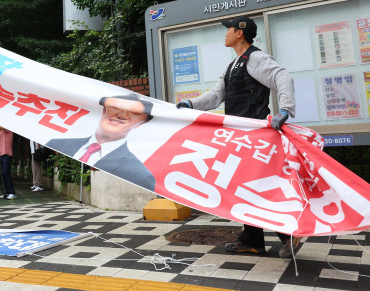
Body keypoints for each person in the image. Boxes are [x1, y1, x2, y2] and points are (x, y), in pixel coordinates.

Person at [176, 15, 298, 259]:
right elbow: (215, 95)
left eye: (228, 29)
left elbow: (283, 78)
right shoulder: (234, 64)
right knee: (245, 187)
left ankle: (287, 233)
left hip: (254, 138)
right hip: (239, 138)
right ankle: (253, 239)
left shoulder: (256, 58)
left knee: (257, 187)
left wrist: (285, 110)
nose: (225, 33)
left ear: (240, 33)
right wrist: (191, 104)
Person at [46, 94, 155, 191]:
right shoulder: (56, 144)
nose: (122, 115)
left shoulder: (141, 175)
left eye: (135, 113)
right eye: (116, 107)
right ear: (104, 110)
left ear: (141, 123)